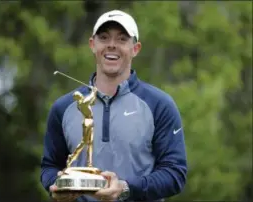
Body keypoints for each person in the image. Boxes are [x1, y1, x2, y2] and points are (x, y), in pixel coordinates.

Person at [40, 9, 187, 202]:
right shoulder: (64, 107)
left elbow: (175, 173)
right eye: (104, 37)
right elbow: (50, 166)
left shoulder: (159, 105)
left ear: (136, 48)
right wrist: (56, 187)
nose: (111, 45)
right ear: (93, 45)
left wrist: (126, 188)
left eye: (122, 39)